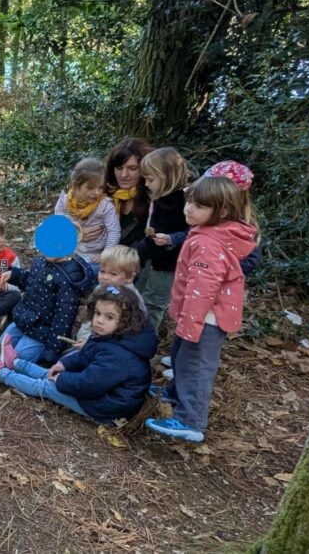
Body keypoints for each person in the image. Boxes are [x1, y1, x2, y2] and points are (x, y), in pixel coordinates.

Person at [146, 173, 258, 443]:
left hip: (204, 317)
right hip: (199, 315)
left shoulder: (208, 243)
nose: (188, 209)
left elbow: (202, 286)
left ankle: (190, 420)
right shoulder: (208, 233)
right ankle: (174, 394)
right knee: (182, 359)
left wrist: (190, 322)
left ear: (222, 210)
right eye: (189, 202)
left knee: (195, 366)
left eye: (199, 205)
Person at [0, 285, 155, 427]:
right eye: (98, 313)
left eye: (109, 317)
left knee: (47, 386)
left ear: (126, 321)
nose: (100, 320)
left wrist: (61, 380)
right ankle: (15, 363)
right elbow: (85, 354)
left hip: (104, 408)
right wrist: (63, 365)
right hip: (98, 394)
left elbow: (90, 384)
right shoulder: (110, 336)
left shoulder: (118, 355)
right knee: (50, 373)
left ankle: (0, 374)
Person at [0, 218, 97, 367]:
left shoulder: (68, 278)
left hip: (44, 331)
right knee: (3, 342)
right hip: (26, 319)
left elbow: (63, 318)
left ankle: (8, 369)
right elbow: (31, 283)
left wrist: (52, 350)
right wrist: (15, 275)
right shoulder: (40, 261)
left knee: (19, 357)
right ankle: (3, 362)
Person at [133, 147, 193, 330]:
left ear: (167, 177)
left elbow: (192, 232)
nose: (146, 184)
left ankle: (146, 341)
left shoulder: (185, 201)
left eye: (150, 179)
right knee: (136, 295)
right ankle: (131, 336)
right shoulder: (160, 197)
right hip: (151, 257)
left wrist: (171, 239)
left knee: (153, 304)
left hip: (168, 264)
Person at [74, 245, 146, 347]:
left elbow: (129, 330)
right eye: (102, 271)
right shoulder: (100, 288)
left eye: (113, 274)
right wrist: (84, 336)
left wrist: (91, 343)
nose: (105, 277)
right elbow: (90, 315)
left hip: (113, 344)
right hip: (92, 336)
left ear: (130, 277)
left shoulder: (130, 299)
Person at [54, 157, 120, 266]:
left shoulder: (105, 206)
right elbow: (58, 228)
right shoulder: (64, 203)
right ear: (75, 184)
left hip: (96, 256)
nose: (97, 193)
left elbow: (114, 231)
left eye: (100, 188)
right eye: (90, 188)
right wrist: (77, 234)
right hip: (70, 251)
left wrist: (106, 254)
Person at [105, 138, 153, 246]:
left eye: (132, 168)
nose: (124, 175)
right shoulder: (100, 195)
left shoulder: (154, 200)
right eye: (119, 168)